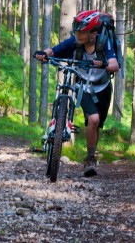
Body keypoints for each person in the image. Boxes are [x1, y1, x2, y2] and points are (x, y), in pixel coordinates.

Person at [34, 9, 120, 177]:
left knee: (96, 125)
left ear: (93, 34)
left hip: (102, 87)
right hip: (83, 86)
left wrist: (103, 64)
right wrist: (44, 54)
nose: (78, 36)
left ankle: (91, 155)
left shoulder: (104, 43)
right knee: (93, 119)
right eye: (77, 33)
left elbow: (114, 64)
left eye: (82, 33)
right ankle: (86, 157)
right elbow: (55, 50)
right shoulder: (75, 42)